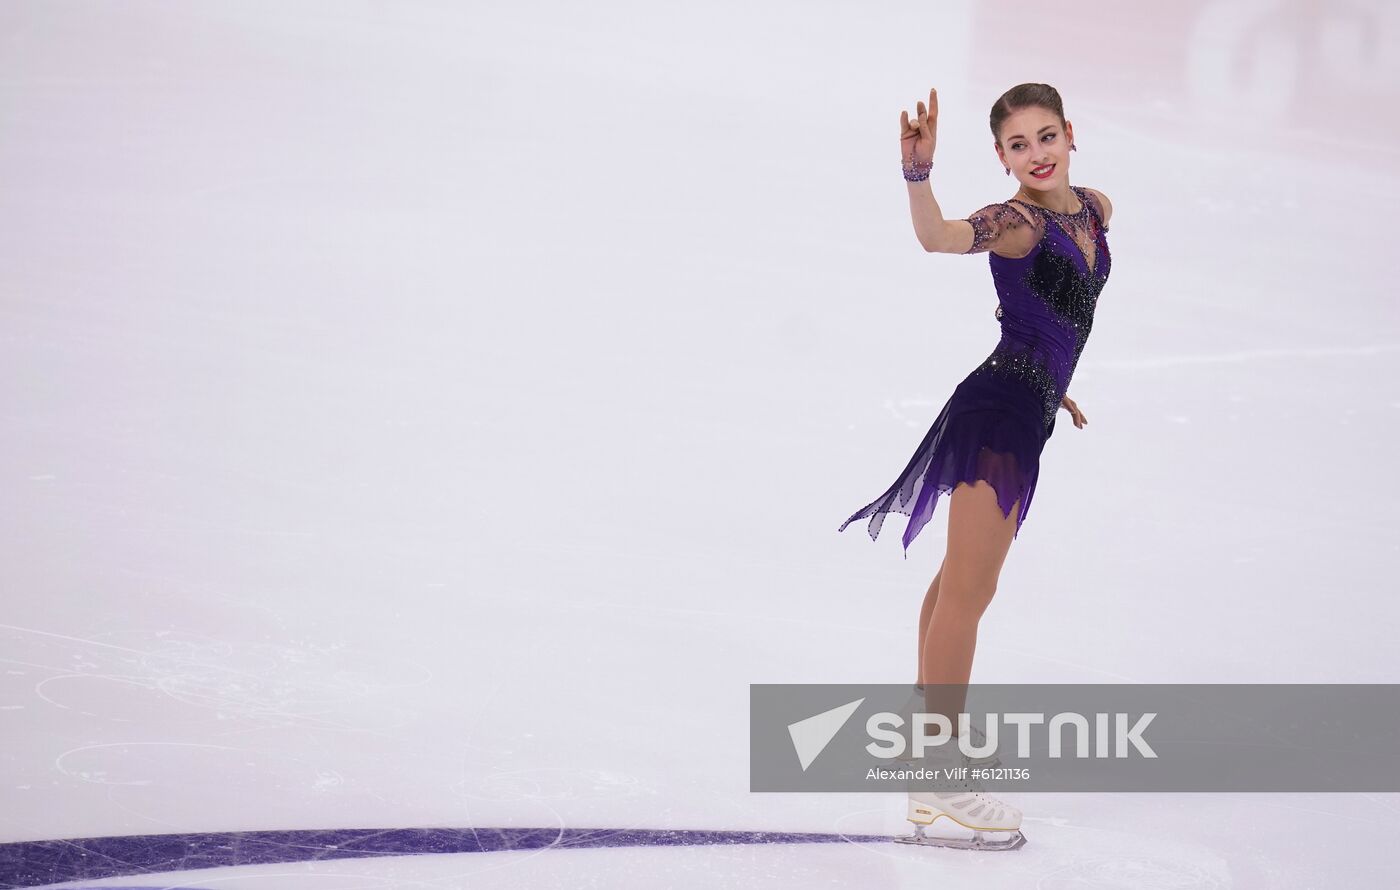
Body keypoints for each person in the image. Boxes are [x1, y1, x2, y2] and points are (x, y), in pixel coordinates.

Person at [838, 83, 1114, 851]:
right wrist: (918, 177)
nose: (1036, 153)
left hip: (1026, 410)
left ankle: (929, 750)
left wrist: (1057, 390)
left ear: (1069, 134)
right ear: (1000, 156)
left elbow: (1056, 317)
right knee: (970, 588)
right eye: (1018, 144)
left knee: (956, 581)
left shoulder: (1094, 208)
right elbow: (939, 239)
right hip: (997, 412)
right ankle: (937, 765)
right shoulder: (1017, 223)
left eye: (1045, 135)